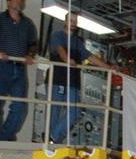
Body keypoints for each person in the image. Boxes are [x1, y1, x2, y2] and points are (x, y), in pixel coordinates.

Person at [48, 14, 115, 144]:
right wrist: (67, 59)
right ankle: (51, 140)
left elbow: (90, 57)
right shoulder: (57, 35)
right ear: (65, 21)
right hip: (57, 78)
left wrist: (109, 68)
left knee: (75, 110)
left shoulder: (78, 41)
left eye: (76, 21)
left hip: (72, 81)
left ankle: (53, 138)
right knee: (54, 111)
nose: (74, 23)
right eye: (71, 21)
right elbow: (60, 49)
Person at [0, 0, 38, 139]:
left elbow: (33, 44)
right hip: (1, 67)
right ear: (8, 2)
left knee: (20, 106)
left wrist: (30, 55)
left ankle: (4, 135)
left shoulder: (28, 24)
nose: (19, 1)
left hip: (19, 69)